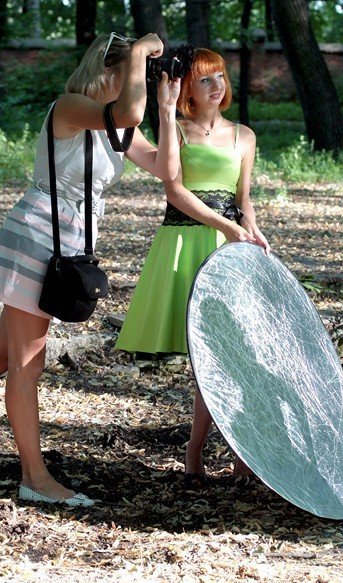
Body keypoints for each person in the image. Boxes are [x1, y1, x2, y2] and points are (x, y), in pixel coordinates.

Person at [0, 31, 184, 506]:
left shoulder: (118, 124)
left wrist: (166, 111)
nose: (139, 84)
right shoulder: (71, 107)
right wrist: (142, 50)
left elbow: (166, 170)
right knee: (28, 362)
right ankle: (34, 478)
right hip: (36, 239)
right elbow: (127, 112)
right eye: (134, 73)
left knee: (0, 355)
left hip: (65, 246)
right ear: (109, 72)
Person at [115, 47, 270, 483]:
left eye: (219, 76)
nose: (216, 85)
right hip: (185, 243)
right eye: (204, 79)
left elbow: (243, 198)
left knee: (236, 354)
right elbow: (174, 190)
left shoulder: (244, 135)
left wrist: (251, 229)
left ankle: (240, 451)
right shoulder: (178, 130)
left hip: (230, 246)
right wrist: (227, 226)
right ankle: (196, 450)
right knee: (207, 358)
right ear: (188, 89)